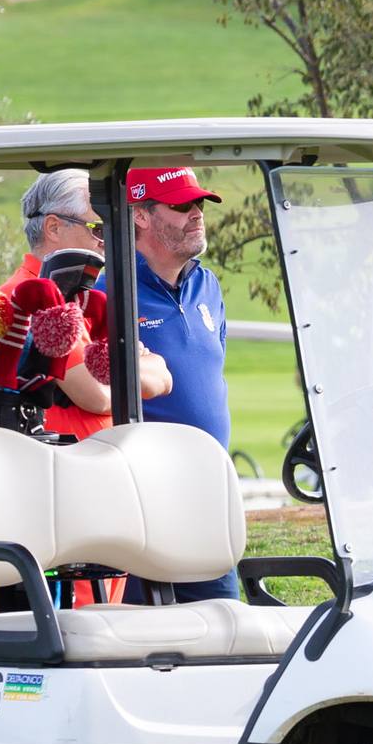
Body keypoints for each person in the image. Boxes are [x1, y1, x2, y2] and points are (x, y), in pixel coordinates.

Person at [97, 164, 236, 602]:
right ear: (140, 215)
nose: (196, 213)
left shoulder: (206, 284)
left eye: (198, 203)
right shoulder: (110, 290)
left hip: (210, 497)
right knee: (151, 642)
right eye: (180, 206)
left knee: (225, 625)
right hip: (146, 501)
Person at [10, 170, 169, 443]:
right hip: (64, 468)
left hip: (96, 464)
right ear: (53, 228)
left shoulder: (80, 297)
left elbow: (164, 378)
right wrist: (132, 363)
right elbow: (95, 395)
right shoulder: (28, 298)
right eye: (97, 228)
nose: (105, 241)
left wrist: (116, 368)